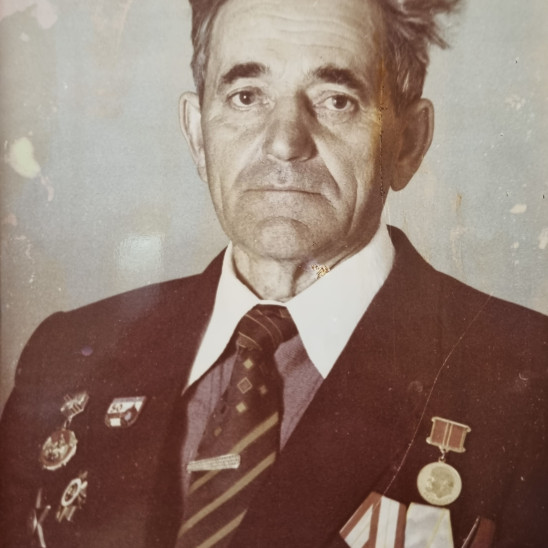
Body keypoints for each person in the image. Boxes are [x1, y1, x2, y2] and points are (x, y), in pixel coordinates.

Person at [1, 0, 546, 546]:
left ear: (408, 142)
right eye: (246, 96)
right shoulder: (66, 355)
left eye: (336, 100)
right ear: (197, 134)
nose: (285, 142)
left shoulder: (528, 380)